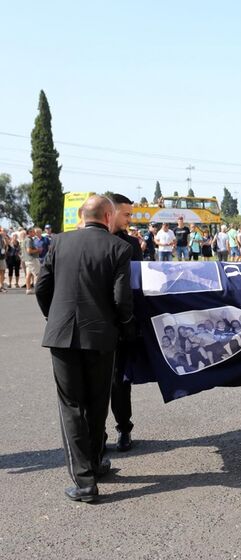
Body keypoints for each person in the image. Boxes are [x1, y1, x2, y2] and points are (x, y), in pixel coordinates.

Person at [35, 195, 135, 502]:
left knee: (71, 406)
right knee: (97, 403)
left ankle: (84, 479)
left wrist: (54, 317)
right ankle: (92, 466)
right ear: (108, 216)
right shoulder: (119, 247)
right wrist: (126, 328)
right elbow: (121, 298)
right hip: (102, 336)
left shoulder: (59, 242)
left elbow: (42, 287)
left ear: (82, 216)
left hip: (62, 335)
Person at [109, 194, 144, 452]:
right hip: (94, 323)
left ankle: (124, 428)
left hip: (121, 325)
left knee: (119, 381)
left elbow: (137, 286)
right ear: (110, 212)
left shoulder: (131, 244)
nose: (130, 219)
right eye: (127, 214)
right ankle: (96, 435)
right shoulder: (84, 239)